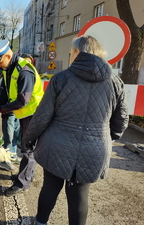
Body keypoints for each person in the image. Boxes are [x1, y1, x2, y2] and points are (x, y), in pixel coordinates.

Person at [24, 35, 129, 225]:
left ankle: (40, 222)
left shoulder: (61, 78)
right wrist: (107, 137)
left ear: (78, 52)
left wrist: (29, 139)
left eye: (71, 52)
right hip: (94, 149)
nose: (70, 55)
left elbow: (42, 116)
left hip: (56, 145)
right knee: (80, 194)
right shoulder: (115, 82)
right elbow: (121, 121)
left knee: (50, 187)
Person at [0, 40, 44, 197]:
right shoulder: (8, 68)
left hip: (33, 114)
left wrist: (0, 110)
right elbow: (4, 92)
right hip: (24, 113)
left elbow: (22, 100)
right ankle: (25, 176)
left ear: (8, 55)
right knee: (25, 147)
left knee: (28, 149)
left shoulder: (24, 70)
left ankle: (22, 182)